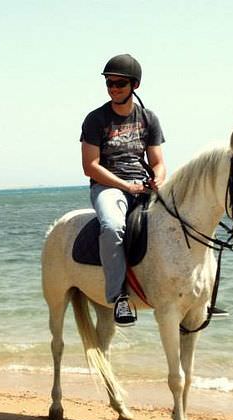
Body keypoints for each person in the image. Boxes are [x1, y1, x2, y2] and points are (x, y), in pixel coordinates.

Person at [80, 54, 167, 327]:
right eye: (109, 83)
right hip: (108, 187)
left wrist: (159, 179)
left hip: (142, 185)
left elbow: (158, 162)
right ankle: (119, 297)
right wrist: (124, 185)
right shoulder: (96, 119)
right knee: (113, 226)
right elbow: (90, 166)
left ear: (134, 85)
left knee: (182, 219)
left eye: (119, 83)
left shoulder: (148, 118)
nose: (114, 88)